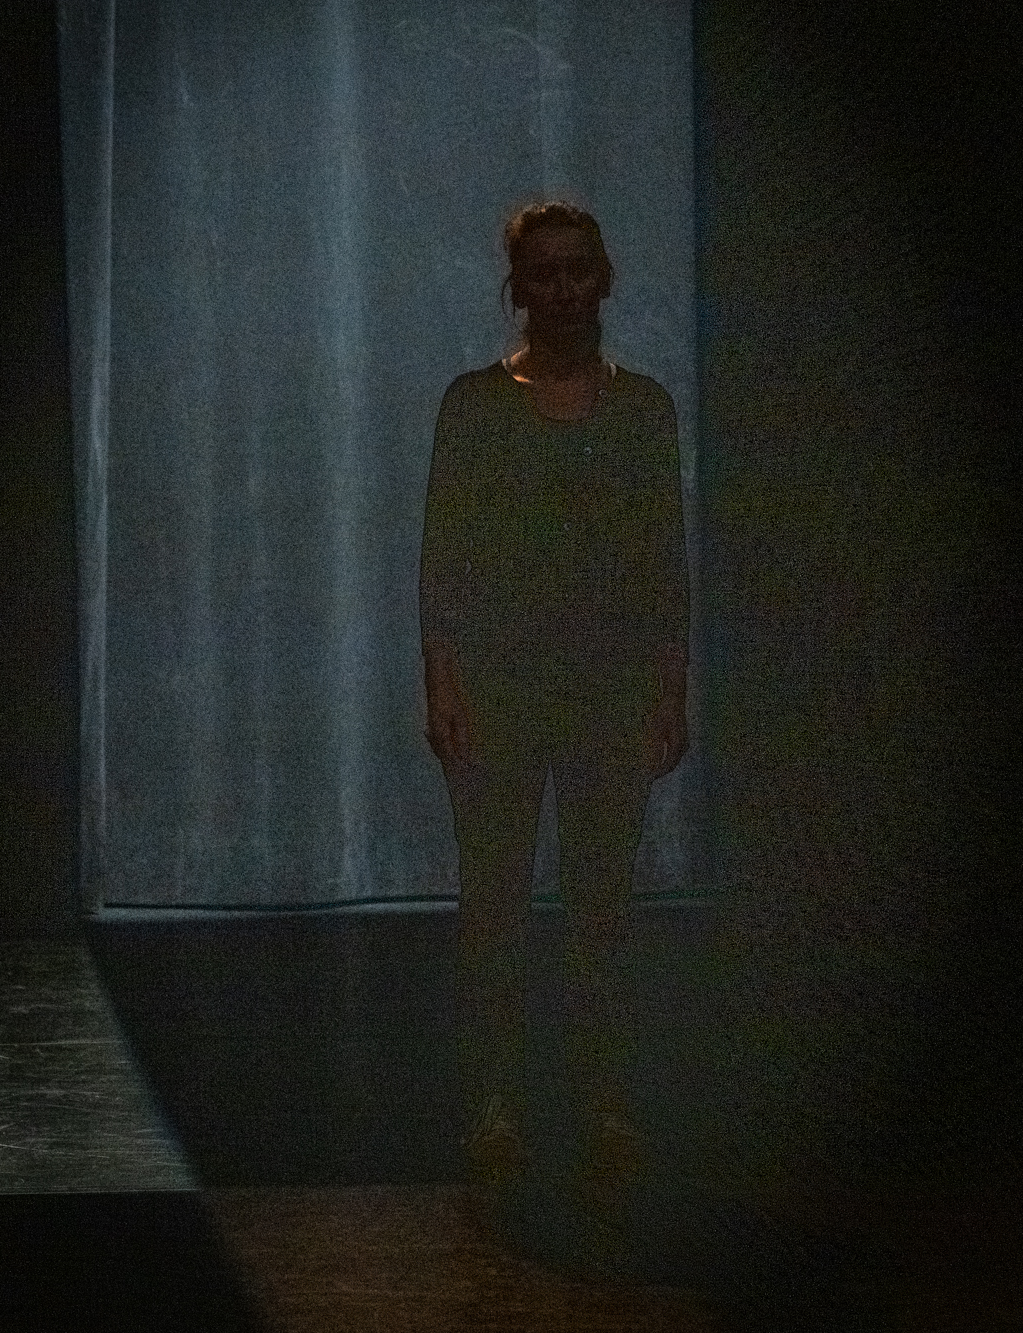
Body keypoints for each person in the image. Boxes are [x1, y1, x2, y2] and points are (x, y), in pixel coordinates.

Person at [420, 202, 687, 1194]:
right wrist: (442, 681)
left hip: (607, 689)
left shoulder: (642, 409)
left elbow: (662, 562)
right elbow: (443, 557)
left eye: (579, 269)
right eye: (545, 272)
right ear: (519, 286)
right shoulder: (475, 405)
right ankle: (493, 1104)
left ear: (602, 278)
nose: (565, 288)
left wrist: (669, 690)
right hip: (499, 689)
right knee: (493, 904)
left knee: (600, 909)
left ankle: (602, 1102)